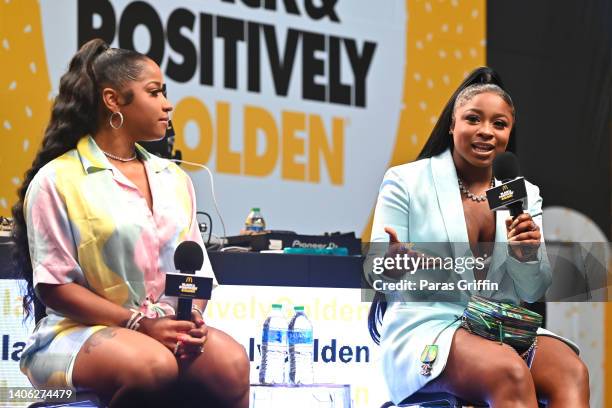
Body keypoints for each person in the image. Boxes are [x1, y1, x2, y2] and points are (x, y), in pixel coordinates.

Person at [11, 39, 249, 407]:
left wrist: (190, 322)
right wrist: (139, 324)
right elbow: (55, 288)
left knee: (232, 364)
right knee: (153, 366)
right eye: (154, 92)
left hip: (160, 329)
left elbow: (197, 275)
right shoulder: (58, 179)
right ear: (113, 101)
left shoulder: (174, 178)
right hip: (74, 334)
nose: (167, 104)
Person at [367, 67, 589, 407]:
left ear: (509, 133)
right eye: (474, 119)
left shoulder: (520, 194)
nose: (486, 132)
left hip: (500, 327)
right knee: (509, 372)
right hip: (429, 327)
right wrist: (394, 264)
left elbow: (532, 290)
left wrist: (525, 254)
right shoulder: (407, 181)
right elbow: (377, 270)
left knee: (570, 370)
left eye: (499, 124)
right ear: (453, 124)